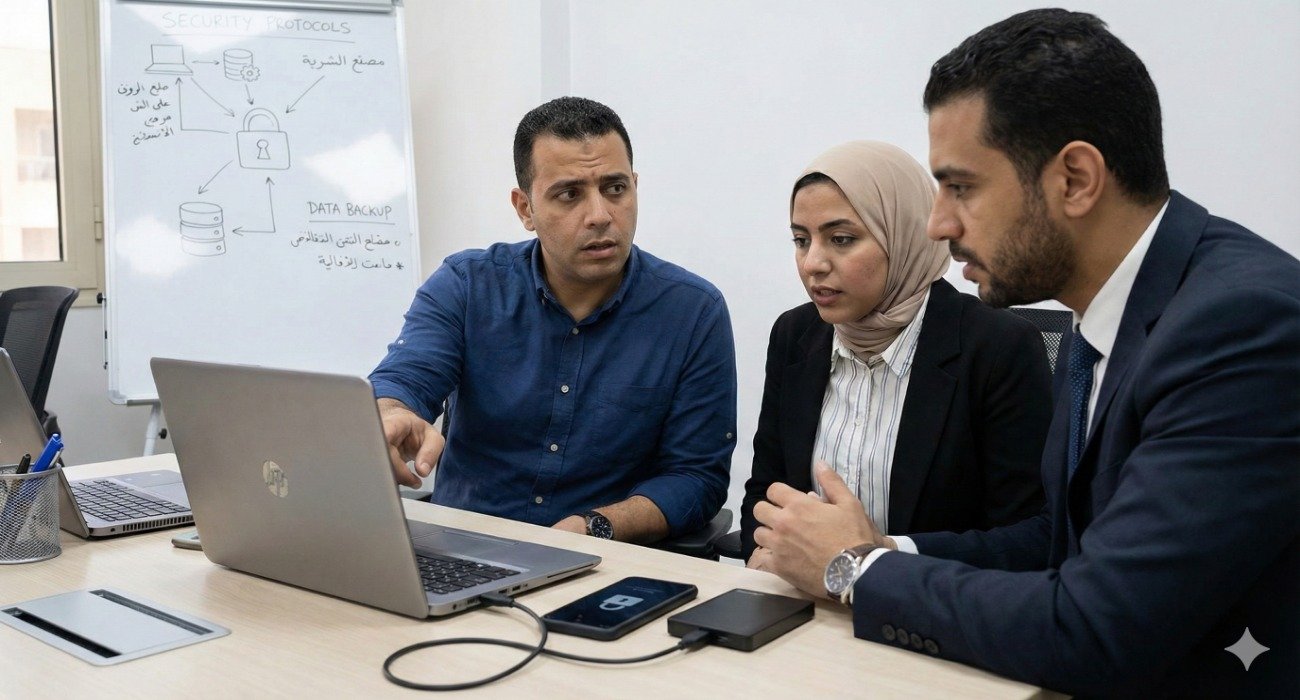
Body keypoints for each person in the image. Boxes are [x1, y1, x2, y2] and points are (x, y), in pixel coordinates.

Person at [749, 9, 1298, 697]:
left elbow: (1096, 627)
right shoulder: (1105, 320)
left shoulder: (1240, 324)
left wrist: (857, 569)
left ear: (1075, 180)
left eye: (962, 187)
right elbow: (1056, 550)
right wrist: (875, 552)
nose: (938, 223)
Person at [370, 96, 736, 544]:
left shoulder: (692, 311)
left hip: (604, 559)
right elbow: (405, 378)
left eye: (615, 189)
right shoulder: (467, 285)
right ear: (525, 208)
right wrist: (392, 414)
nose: (600, 216)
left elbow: (697, 477)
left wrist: (594, 526)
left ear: (635, 187)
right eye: (569, 194)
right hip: (465, 549)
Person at [739, 141, 1050, 562]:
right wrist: (764, 552)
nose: (812, 263)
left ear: (903, 235)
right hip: (800, 595)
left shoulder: (998, 348)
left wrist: (883, 556)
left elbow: (1032, 539)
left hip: (930, 600)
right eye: (801, 240)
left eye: (841, 239)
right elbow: (765, 491)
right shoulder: (795, 336)